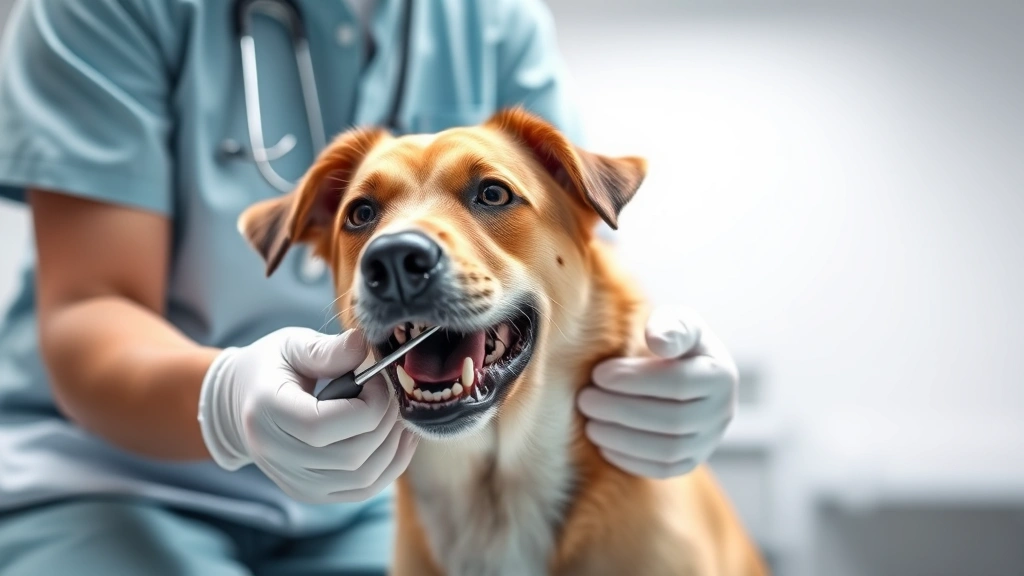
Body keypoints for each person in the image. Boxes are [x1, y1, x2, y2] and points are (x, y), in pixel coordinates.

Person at [0, 0, 740, 574]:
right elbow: (90, 303)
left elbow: (567, 253)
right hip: (108, 485)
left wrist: (660, 370)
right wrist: (226, 403)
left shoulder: (493, 19)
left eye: (487, 193)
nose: (399, 251)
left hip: (369, 500)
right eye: (364, 214)